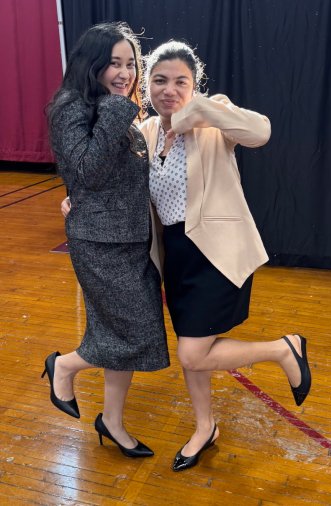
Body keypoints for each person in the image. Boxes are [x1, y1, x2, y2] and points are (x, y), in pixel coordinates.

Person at [61, 40, 312, 472]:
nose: (169, 89)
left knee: (194, 354)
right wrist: (75, 201)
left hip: (216, 253)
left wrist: (201, 108)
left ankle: (284, 350)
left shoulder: (213, 117)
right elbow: (110, 181)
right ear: (147, 85)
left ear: (195, 85)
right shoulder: (144, 132)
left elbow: (261, 132)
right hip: (173, 256)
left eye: (181, 81)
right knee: (195, 345)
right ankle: (204, 426)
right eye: (159, 80)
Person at [44, 22, 169, 459]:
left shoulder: (115, 109)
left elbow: (113, 177)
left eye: (130, 62)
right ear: (92, 63)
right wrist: (119, 107)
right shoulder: (71, 105)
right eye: (114, 63)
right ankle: (64, 365)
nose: (125, 71)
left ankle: (112, 422)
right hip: (99, 242)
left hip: (130, 239)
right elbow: (87, 170)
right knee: (135, 331)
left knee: (118, 331)